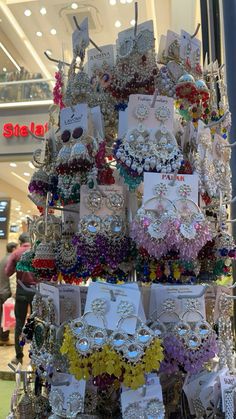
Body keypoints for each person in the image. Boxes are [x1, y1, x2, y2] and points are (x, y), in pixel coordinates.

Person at [5, 233, 36, 364]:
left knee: (19, 323)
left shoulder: (16, 253)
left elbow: (8, 272)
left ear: (20, 241)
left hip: (22, 290)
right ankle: (35, 356)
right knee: (37, 323)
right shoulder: (37, 251)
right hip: (37, 291)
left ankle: (19, 356)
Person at [0, 242, 17, 344]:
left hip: (1, 290)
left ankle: (2, 337)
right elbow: (12, 278)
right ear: (14, 249)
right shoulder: (11, 260)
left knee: (1, 315)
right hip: (6, 291)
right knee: (5, 316)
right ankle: (4, 338)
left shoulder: (2, 259)